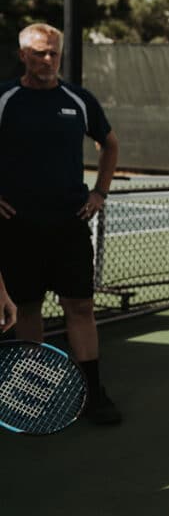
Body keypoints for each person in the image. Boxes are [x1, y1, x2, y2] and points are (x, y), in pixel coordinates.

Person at [0, 23, 123, 424]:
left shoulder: (79, 100)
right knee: (28, 309)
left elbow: (110, 144)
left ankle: (92, 393)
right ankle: (33, 389)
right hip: (19, 228)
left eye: (54, 53)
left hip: (69, 226)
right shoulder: (5, 99)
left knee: (81, 306)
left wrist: (99, 193)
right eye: (39, 53)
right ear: (23, 56)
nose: (49, 60)